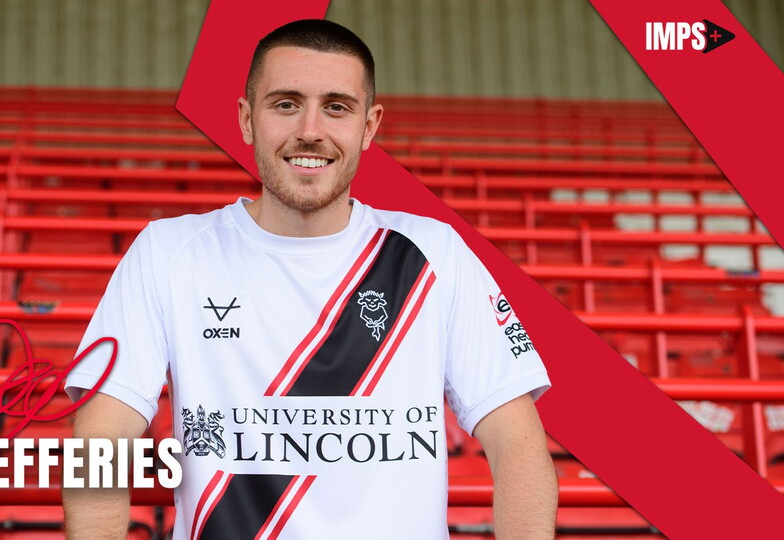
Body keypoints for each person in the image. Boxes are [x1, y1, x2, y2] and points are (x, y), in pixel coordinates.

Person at [64, 19, 557, 540]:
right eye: (285, 103)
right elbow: (101, 437)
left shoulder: (434, 251)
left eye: (337, 107)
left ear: (369, 126)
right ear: (246, 118)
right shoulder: (167, 252)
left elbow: (516, 441)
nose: (310, 130)